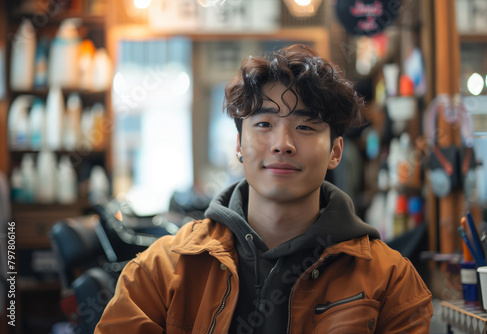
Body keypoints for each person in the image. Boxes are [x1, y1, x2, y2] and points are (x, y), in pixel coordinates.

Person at [95, 44, 433, 333]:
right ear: (239, 144)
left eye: (305, 125)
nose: (282, 144)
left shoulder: (390, 280)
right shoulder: (163, 270)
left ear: (335, 151)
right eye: (264, 124)